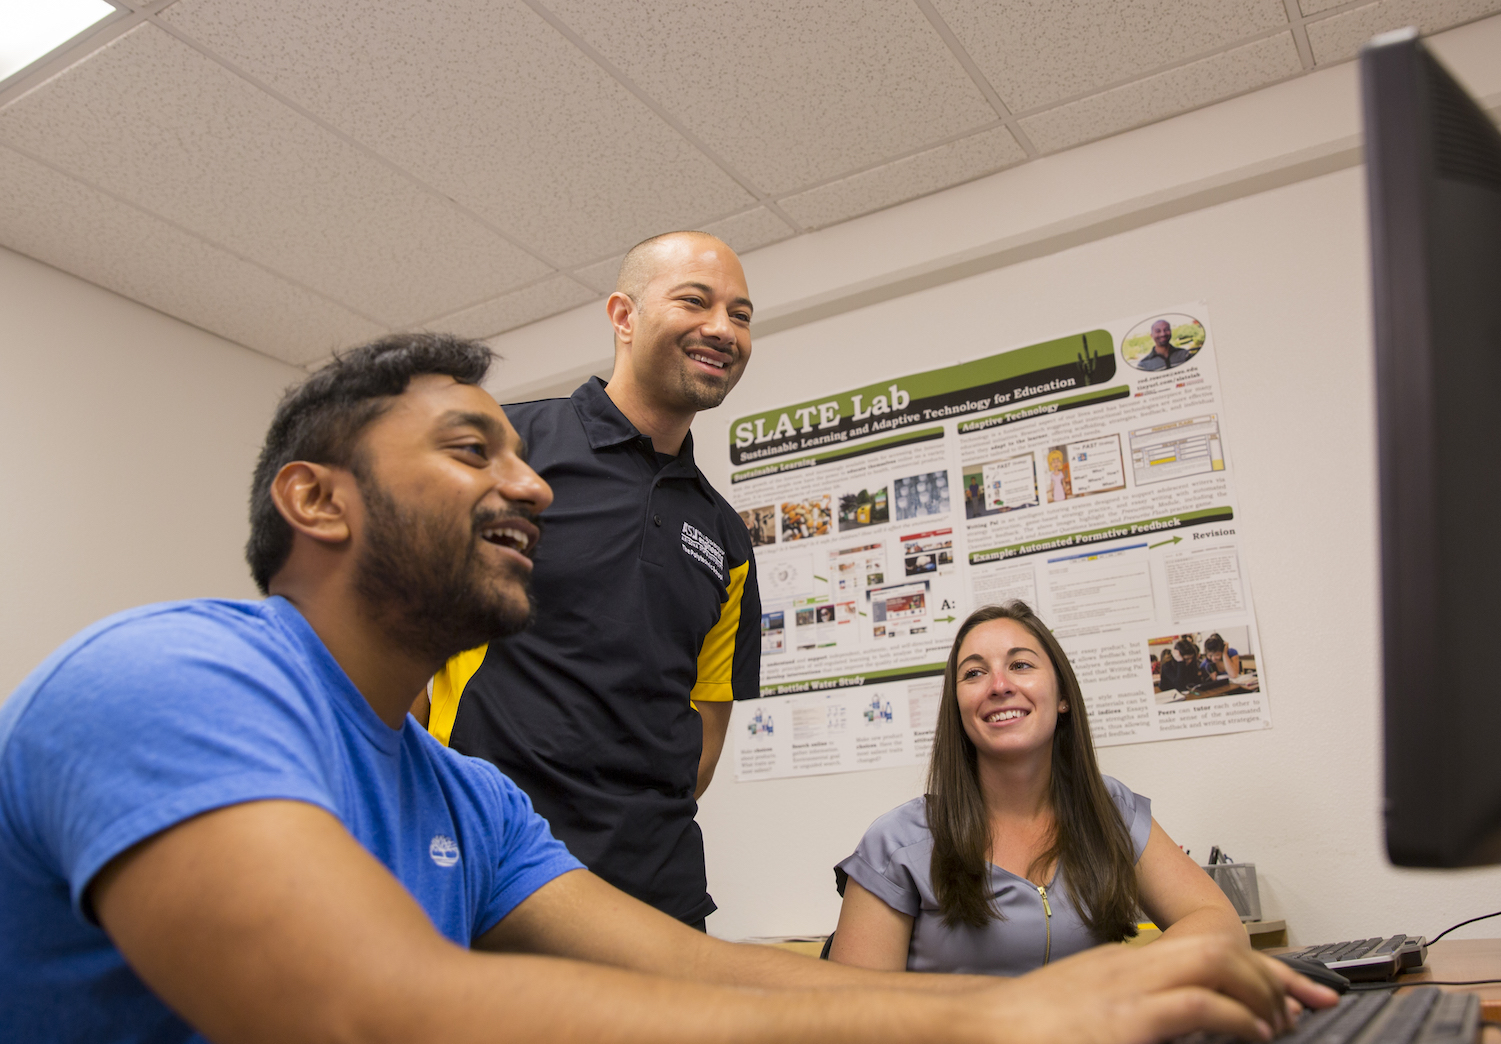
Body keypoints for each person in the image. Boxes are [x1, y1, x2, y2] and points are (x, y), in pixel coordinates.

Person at [0, 335, 1334, 1042]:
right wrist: (1002, 1030)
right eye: (474, 447)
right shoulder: (166, 679)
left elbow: (712, 983)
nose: (529, 483)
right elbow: (376, 1014)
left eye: (526, 455)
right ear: (316, 498)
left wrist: (1047, 1006)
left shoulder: (466, 795)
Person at [416, 231, 760, 927]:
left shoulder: (728, 540)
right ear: (624, 317)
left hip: (657, 893)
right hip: (491, 871)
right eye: (695, 300)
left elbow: (704, 731)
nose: (722, 328)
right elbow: (394, 638)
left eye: (742, 314)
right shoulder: (507, 453)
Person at [830, 602, 1247, 975]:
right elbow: (851, 1019)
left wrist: (1120, 986)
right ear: (957, 709)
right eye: (974, 673)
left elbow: (1220, 924)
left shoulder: (1110, 809)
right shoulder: (896, 844)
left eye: (1021, 665)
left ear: (1062, 695)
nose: (999, 685)